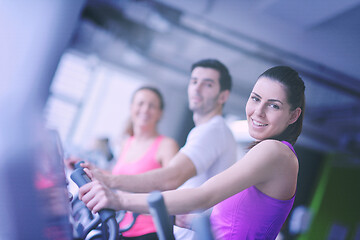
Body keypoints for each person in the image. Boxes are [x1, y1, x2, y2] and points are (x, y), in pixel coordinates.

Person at [78, 65, 305, 240]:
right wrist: (189, 220)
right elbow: (242, 222)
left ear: (293, 116)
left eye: (273, 105)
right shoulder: (268, 153)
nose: (259, 112)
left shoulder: (275, 152)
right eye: (255, 99)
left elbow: (203, 196)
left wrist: (119, 199)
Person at [80, 59, 238, 239]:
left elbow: (171, 178)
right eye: (194, 81)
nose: (197, 88)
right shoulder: (207, 131)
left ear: (223, 96)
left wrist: (109, 181)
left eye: (207, 84)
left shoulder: (212, 131)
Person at [67, 86, 180, 240]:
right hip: (121, 225)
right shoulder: (128, 142)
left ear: (160, 113)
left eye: (152, 105)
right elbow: (119, 178)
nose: (145, 109)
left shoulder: (166, 145)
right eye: (140, 103)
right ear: (131, 107)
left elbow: (172, 186)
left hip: (150, 231)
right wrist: (92, 170)